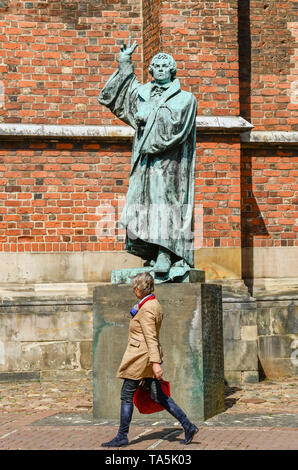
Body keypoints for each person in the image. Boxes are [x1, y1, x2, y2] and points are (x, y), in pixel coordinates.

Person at [98, 38, 197, 274]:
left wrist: (149, 115)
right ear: (151, 71)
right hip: (144, 163)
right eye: (156, 66)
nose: (161, 70)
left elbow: (176, 127)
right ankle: (152, 251)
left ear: (172, 71)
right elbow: (121, 100)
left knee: (165, 204)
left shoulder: (185, 99)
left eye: (166, 66)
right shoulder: (143, 93)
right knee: (143, 204)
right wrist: (125, 62)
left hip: (169, 165)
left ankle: (167, 252)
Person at [101, 272, 198, 447]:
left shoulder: (147, 309)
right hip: (146, 356)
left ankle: (122, 436)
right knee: (159, 396)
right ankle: (188, 425)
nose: (133, 290)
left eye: (134, 287)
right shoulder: (152, 304)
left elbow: (151, 337)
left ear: (138, 289)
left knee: (126, 395)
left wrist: (155, 363)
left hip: (140, 357)